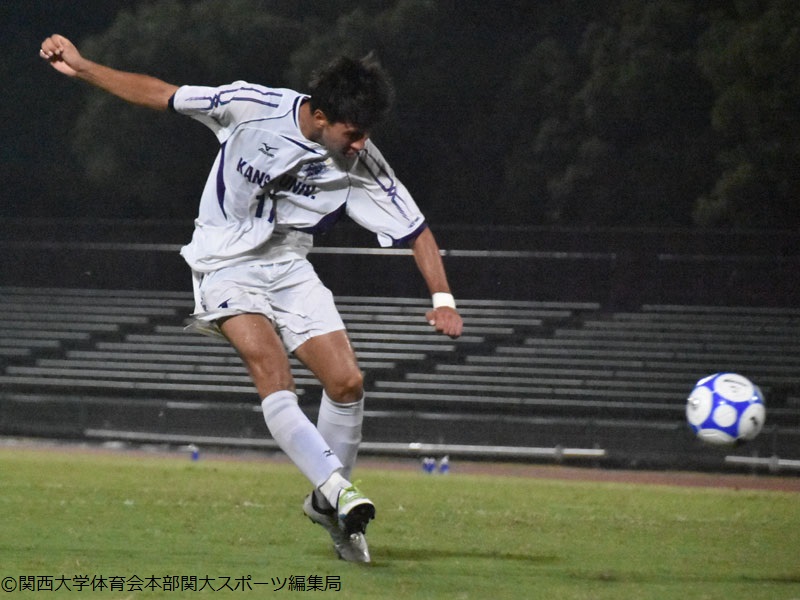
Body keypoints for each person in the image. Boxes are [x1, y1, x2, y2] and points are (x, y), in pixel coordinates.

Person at [39, 34, 463, 563]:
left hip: (288, 264)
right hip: (224, 261)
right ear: (321, 116)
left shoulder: (361, 163)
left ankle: (327, 504)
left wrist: (443, 298)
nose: (360, 144)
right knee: (272, 367)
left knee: (347, 383)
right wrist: (83, 67)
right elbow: (163, 94)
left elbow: (417, 230)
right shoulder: (250, 106)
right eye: (353, 133)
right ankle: (337, 491)